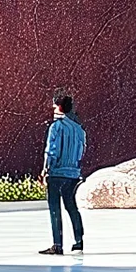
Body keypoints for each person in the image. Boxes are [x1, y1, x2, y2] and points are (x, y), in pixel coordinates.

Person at [39, 91, 85, 256]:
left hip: (57, 173)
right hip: (73, 174)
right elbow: (81, 152)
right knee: (72, 207)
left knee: (54, 209)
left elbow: (51, 152)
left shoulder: (55, 127)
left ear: (59, 106)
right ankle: (78, 241)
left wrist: (45, 170)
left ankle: (57, 245)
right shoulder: (79, 130)